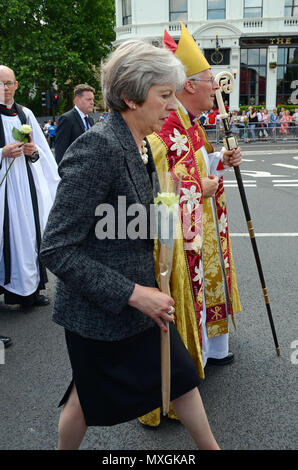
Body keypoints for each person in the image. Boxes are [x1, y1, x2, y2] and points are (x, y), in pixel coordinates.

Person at [40, 40, 220, 451]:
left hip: (141, 301)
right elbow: (56, 248)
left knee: (181, 377)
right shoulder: (98, 147)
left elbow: (130, 221)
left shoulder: (139, 143)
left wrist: (175, 214)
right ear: (130, 96)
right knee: (83, 402)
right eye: (164, 95)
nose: (173, 106)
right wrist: (136, 295)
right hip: (100, 311)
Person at [139, 23, 242, 427]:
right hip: (178, 232)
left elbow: (195, 164)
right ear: (188, 86)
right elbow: (160, 183)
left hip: (199, 222)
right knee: (180, 298)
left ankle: (198, 358)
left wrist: (218, 163)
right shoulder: (166, 125)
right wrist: (201, 184)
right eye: (209, 83)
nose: (214, 90)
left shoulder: (191, 121)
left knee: (196, 298)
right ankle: (173, 383)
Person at [0, 65, 59, 308]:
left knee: (30, 236)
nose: (5, 89)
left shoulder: (25, 114)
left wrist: (32, 152)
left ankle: (29, 293)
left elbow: (43, 153)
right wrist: (2, 153)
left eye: (9, 83)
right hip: (4, 191)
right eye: (1, 84)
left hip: (26, 188)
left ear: (16, 85)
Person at [55, 84, 95, 164]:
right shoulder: (67, 119)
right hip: (74, 171)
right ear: (77, 100)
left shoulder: (90, 119)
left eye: (93, 99)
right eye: (89, 99)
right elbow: (61, 151)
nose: (92, 103)